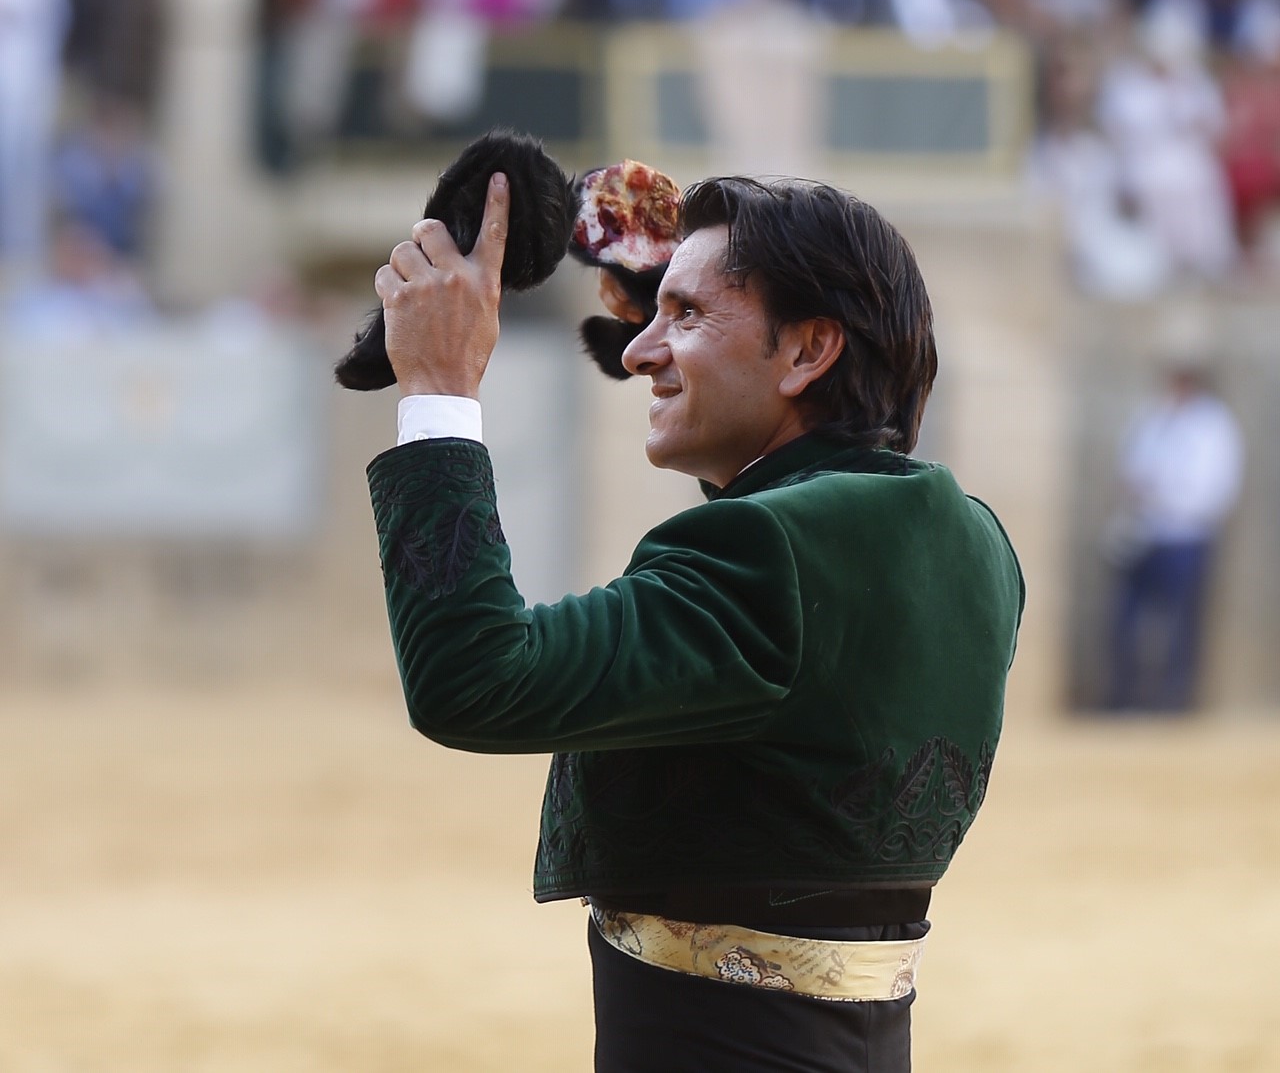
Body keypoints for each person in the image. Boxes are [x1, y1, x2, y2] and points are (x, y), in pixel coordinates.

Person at [364, 170, 1025, 1071]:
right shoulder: (975, 542)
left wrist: (439, 391)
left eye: (686, 315)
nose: (639, 352)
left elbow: (473, 677)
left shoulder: (763, 547)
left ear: (807, 353)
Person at [1103, 360, 1243, 714]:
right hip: (1145, 533)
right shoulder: (1154, 416)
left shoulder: (1213, 425)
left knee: (1181, 624)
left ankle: (1175, 700)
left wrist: (1164, 493)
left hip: (1186, 535)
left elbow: (1212, 489)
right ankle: (1125, 697)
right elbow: (1131, 467)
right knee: (1126, 619)